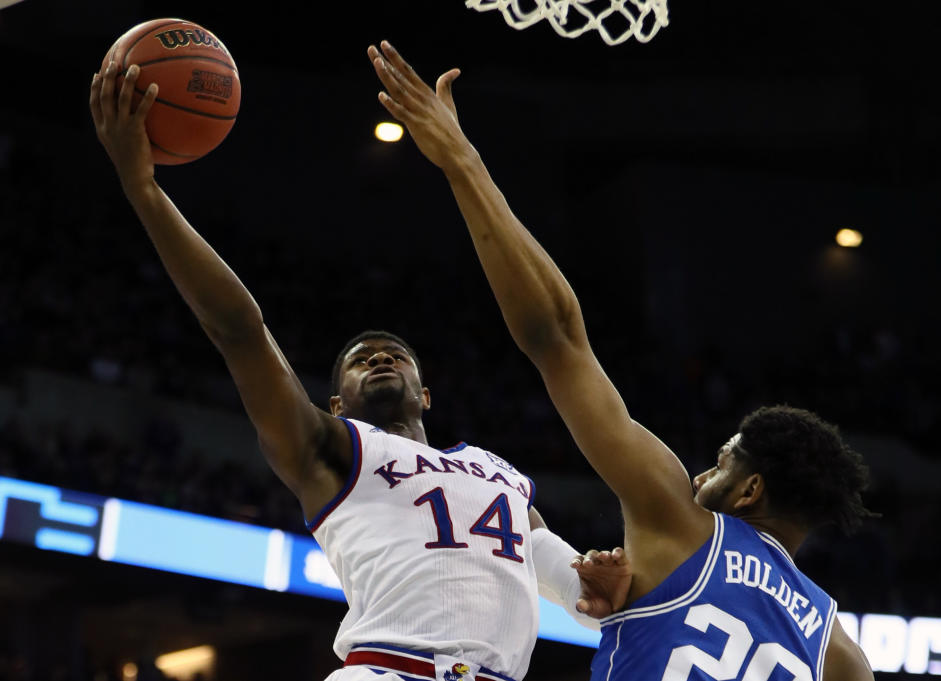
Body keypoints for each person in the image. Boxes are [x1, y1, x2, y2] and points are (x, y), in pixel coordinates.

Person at [88, 60, 630, 681]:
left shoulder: (500, 473)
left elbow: (574, 588)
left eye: (394, 355)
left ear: (425, 394)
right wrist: (145, 189)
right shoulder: (332, 449)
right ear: (337, 404)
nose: (378, 357)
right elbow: (240, 331)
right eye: (359, 360)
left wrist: (602, 581)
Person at [367, 40, 877, 681]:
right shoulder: (842, 653)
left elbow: (556, 336)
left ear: (751, 491)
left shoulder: (681, 519)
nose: (698, 478)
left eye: (720, 464)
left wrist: (462, 162)